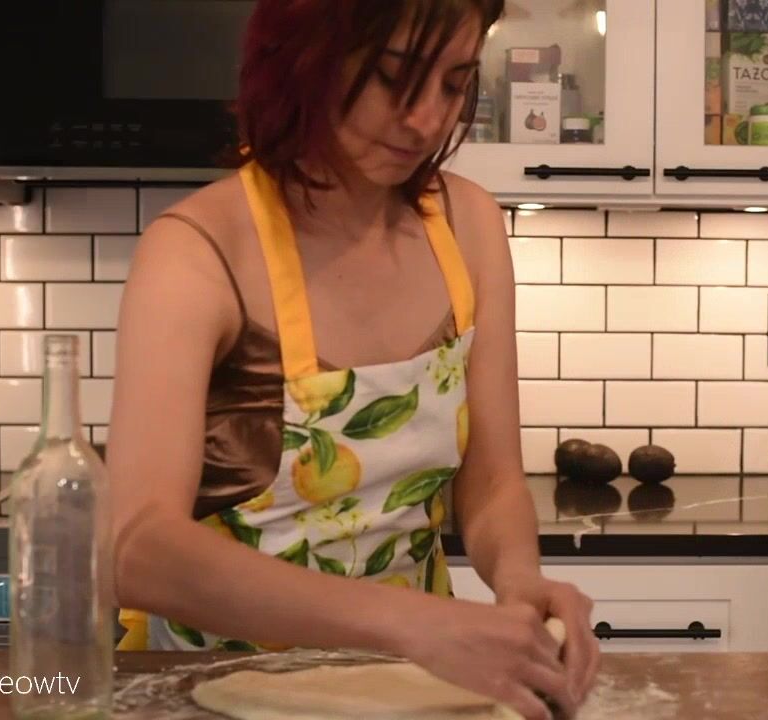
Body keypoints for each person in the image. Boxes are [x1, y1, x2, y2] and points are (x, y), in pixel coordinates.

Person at [106, 1, 599, 717]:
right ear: (305, 57)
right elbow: (134, 547)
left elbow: (492, 482)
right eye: (396, 79)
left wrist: (520, 583)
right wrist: (408, 622)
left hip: (421, 692)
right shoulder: (197, 252)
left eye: (454, 84)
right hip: (222, 690)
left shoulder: (468, 226)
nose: (427, 121)